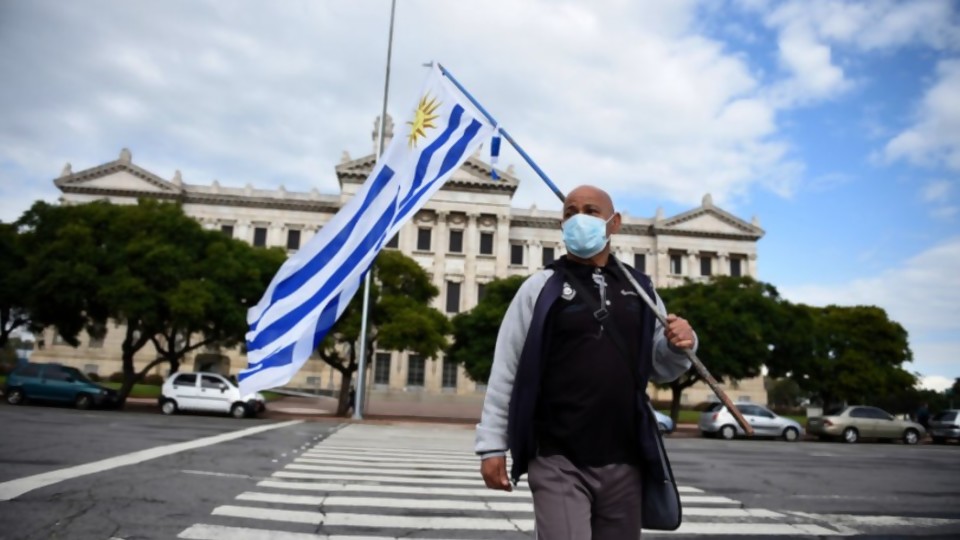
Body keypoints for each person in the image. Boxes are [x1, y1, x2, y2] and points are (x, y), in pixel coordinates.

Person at [475, 185, 697, 539]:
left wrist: (681, 343)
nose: (579, 218)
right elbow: (506, 370)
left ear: (614, 223)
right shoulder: (540, 287)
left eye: (591, 211)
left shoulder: (641, 289)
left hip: (625, 458)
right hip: (557, 456)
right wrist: (491, 445)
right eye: (570, 212)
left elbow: (661, 364)